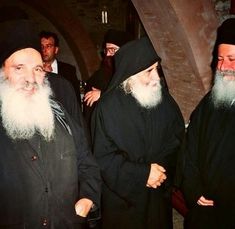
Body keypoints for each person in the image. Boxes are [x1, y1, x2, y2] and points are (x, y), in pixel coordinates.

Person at [0, 19, 101, 228]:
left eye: (37, 69)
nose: (31, 78)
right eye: (19, 68)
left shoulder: (59, 112)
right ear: (2, 73)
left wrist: (87, 199)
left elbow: (87, 163)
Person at [91, 37, 185, 229]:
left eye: (157, 69)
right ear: (130, 75)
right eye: (149, 71)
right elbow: (103, 158)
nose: (156, 77)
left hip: (158, 195)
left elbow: (177, 141)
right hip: (123, 202)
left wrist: (160, 172)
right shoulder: (107, 108)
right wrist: (143, 175)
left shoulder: (164, 100)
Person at [181, 18, 235, 228]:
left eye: (231, 59)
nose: (223, 66)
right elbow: (190, 148)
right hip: (204, 210)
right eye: (220, 59)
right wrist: (193, 188)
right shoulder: (210, 101)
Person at [83, 29, 132, 128]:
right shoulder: (99, 76)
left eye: (113, 50)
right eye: (107, 50)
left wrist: (103, 95)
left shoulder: (134, 74)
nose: (108, 54)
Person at [40, 30, 82, 106]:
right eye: (42, 46)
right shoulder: (33, 69)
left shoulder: (69, 70)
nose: (44, 50)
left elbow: (75, 98)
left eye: (48, 46)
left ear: (56, 50)